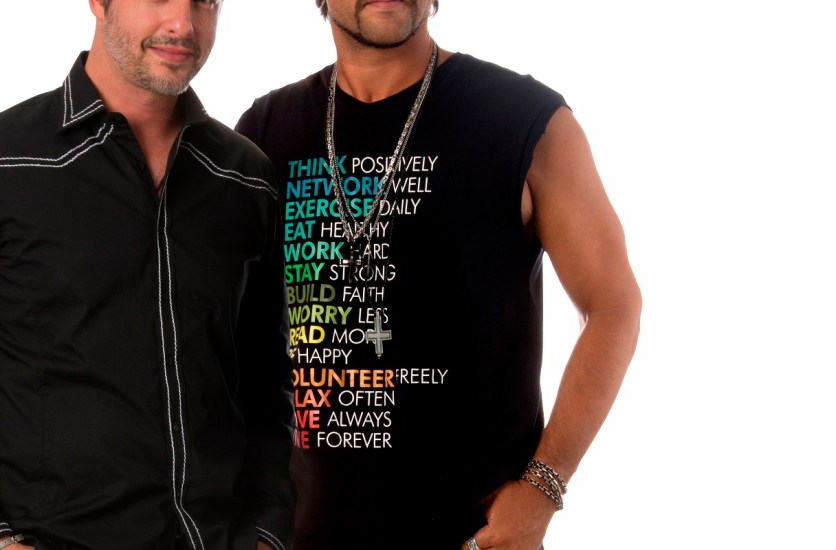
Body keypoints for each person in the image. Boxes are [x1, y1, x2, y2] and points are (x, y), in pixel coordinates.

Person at [0, 1, 295, 549]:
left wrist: (267, 528)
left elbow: (266, 378)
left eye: (205, 1)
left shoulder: (245, 176)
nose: (183, 24)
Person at [234, 1, 642, 549]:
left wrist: (543, 487)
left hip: (475, 539)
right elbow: (238, 347)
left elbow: (613, 304)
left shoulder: (522, 118)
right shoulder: (264, 132)